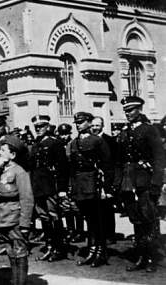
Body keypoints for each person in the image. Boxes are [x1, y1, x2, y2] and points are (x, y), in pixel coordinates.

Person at [115, 96, 166, 272]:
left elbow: (159, 159)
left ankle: (152, 257)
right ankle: (141, 256)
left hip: (145, 182)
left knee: (148, 219)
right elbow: (119, 161)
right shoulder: (125, 132)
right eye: (126, 111)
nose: (127, 113)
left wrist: (156, 185)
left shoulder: (149, 130)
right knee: (136, 219)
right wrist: (118, 183)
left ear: (139, 109)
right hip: (129, 182)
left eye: (131, 110)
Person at [68, 112, 111, 268]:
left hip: (93, 183)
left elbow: (106, 165)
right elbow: (71, 167)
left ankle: (100, 252)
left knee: (97, 219)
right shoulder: (74, 143)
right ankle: (92, 251)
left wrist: (106, 189)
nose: (78, 125)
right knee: (88, 219)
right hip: (80, 185)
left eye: (81, 122)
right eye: (77, 122)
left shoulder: (97, 141)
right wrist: (71, 188)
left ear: (89, 122)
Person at [0, 135, 34, 285]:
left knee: (19, 252)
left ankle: (20, 282)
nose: (0, 153)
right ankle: (14, 281)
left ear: (13, 154)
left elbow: (27, 198)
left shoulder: (19, 171)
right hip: (3, 218)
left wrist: (25, 224)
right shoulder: (0, 170)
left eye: (3, 150)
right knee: (10, 252)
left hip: (16, 218)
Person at [29, 115, 69, 262]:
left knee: (54, 216)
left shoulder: (55, 143)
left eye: (41, 126)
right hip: (38, 185)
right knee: (44, 217)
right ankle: (50, 246)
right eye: (36, 127)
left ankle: (59, 248)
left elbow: (63, 167)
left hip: (50, 185)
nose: (38, 129)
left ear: (47, 127)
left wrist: (62, 188)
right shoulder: (35, 144)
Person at [91, 116, 118, 243]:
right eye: (93, 126)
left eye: (97, 125)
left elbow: (114, 162)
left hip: (107, 177)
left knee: (107, 207)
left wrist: (111, 182)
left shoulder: (110, 140)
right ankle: (100, 234)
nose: (95, 128)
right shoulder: (90, 140)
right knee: (97, 208)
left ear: (102, 126)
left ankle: (110, 235)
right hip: (94, 178)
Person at [56, 123, 85, 243]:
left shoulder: (74, 144)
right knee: (66, 207)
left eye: (66, 134)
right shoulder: (58, 145)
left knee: (76, 207)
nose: (64, 136)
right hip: (63, 178)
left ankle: (79, 231)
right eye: (62, 134)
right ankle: (70, 230)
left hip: (73, 178)